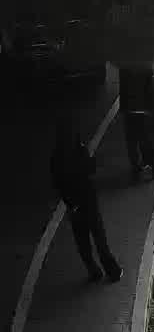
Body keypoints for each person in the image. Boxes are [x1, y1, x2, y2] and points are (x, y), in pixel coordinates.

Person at [50, 115, 120, 283]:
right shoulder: (79, 149)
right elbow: (90, 168)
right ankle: (112, 270)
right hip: (88, 199)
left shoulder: (56, 157)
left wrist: (69, 202)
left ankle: (93, 270)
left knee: (82, 240)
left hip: (73, 204)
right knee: (99, 236)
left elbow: (57, 183)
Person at [119, 62, 154, 181]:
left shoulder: (124, 67)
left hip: (130, 110)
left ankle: (136, 171)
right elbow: (151, 90)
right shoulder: (145, 67)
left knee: (132, 142)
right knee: (148, 140)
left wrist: (124, 109)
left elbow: (122, 89)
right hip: (144, 109)